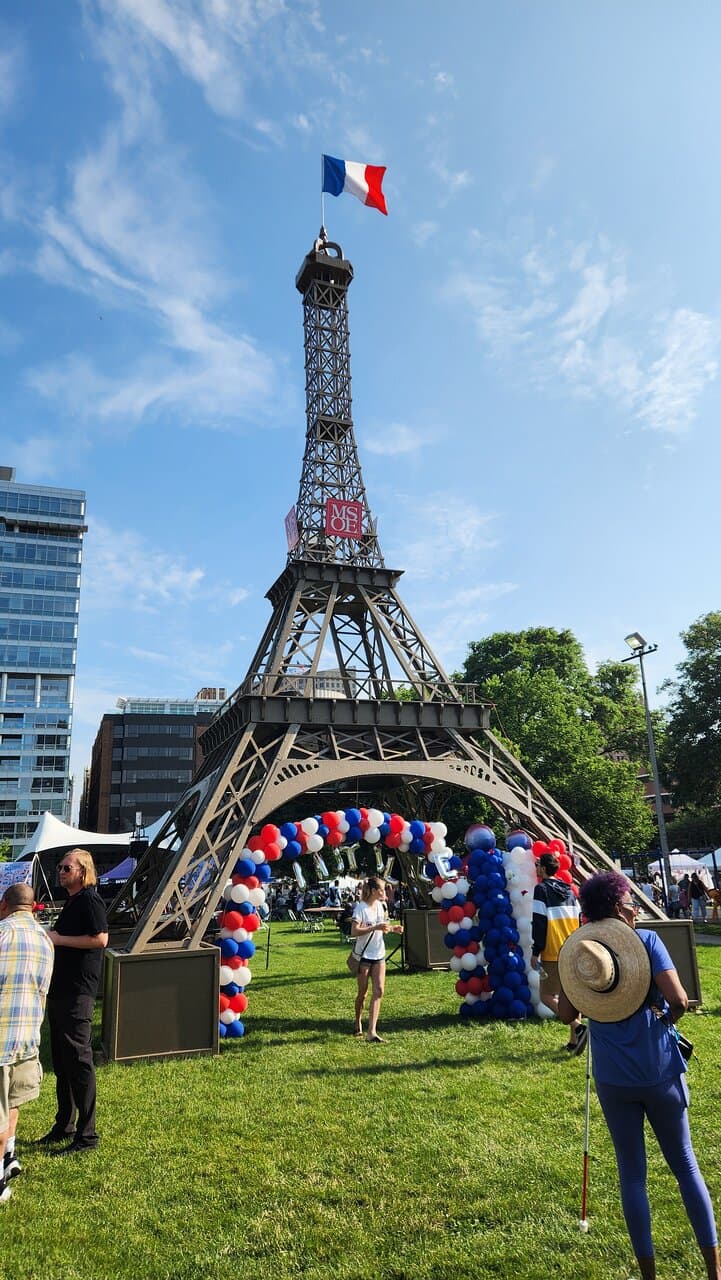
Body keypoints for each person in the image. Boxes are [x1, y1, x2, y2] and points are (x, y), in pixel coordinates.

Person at [557, 870, 720, 1280]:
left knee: (632, 1174)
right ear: (616, 906)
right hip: (660, 1069)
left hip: (613, 1077)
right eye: (628, 899)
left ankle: (648, 1275)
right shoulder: (646, 942)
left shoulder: (581, 952)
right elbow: (679, 999)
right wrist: (664, 1018)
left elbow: (566, 1014)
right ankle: (715, 1270)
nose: (632, 904)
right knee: (685, 1164)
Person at [41, 849, 108, 1154]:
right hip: (60, 991)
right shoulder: (72, 901)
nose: (61, 871)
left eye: (67, 867)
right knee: (63, 1062)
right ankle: (64, 1125)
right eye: (60, 867)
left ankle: (87, 1136)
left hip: (77, 992)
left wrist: (58, 939)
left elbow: (100, 939)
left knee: (79, 1062)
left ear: (83, 872)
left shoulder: (90, 900)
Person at [0, 883, 54, 1202]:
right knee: (13, 1101)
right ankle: (10, 1156)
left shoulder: (2, 934)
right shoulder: (46, 940)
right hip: (28, 1035)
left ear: (4, 905)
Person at [531, 851, 585, 1054]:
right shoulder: (570, 890)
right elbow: (579, 919)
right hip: (572, 948)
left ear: (544, 869)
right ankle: (574, 1042)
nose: (536, 869)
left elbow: (539, 922)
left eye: (538, 866)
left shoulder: (541, 890)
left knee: (546, 995)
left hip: (552, 951)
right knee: (570, 995)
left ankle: (577, 1028)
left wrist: (536, 951)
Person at [350, 876, 403, 1044]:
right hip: (364, 956)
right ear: (373, 891)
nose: (384, 892)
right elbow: (354, 931)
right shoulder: (361, 908)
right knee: (363, 993)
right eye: (381, 889)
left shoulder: (381, 906)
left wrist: (394, 929)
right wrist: (374, 927)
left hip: (379, 954)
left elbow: (384, 926)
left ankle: (371, 1032)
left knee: (379, 991)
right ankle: (358, 1020)